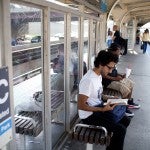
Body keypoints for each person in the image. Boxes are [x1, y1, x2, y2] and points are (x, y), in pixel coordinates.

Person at [78, 50, 131, 150]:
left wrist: (110, 98)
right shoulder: (88, 80)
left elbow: (97, 96)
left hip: (98, 108)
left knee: (125, 120)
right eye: (109, 68)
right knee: (120, 130)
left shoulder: (98, 76)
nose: (111, 71)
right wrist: (102, 110)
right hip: (89, 116)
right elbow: (81, 106)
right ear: (101, 64)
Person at [102, 43, 140, 111]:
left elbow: (113, 71)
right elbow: (103, 75)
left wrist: (120, 75)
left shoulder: (114, 57)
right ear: (113, 51)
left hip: (114, 79)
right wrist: (115, 78)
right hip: (108, 82)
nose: (120, 52)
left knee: (130, 83)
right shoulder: (106, 58)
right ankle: (124, 108)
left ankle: (128, 102)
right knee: (126, 90)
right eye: (118, 50)